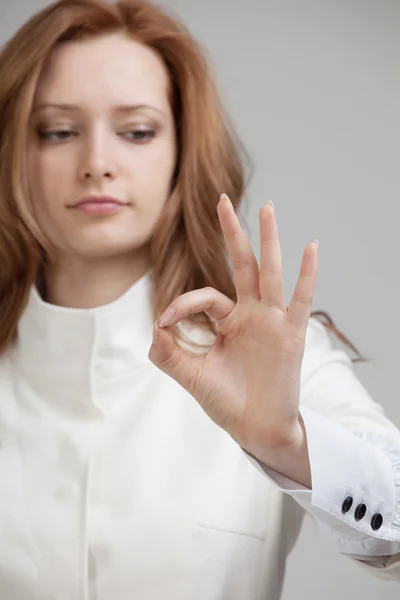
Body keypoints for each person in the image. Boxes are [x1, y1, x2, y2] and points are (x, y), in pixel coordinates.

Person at [0, 0, 399, 598]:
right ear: (12, 150)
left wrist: (286, 443)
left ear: (181, 152)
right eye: (58, 130)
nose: (98, 164)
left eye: (136, 131)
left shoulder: (271, 360)